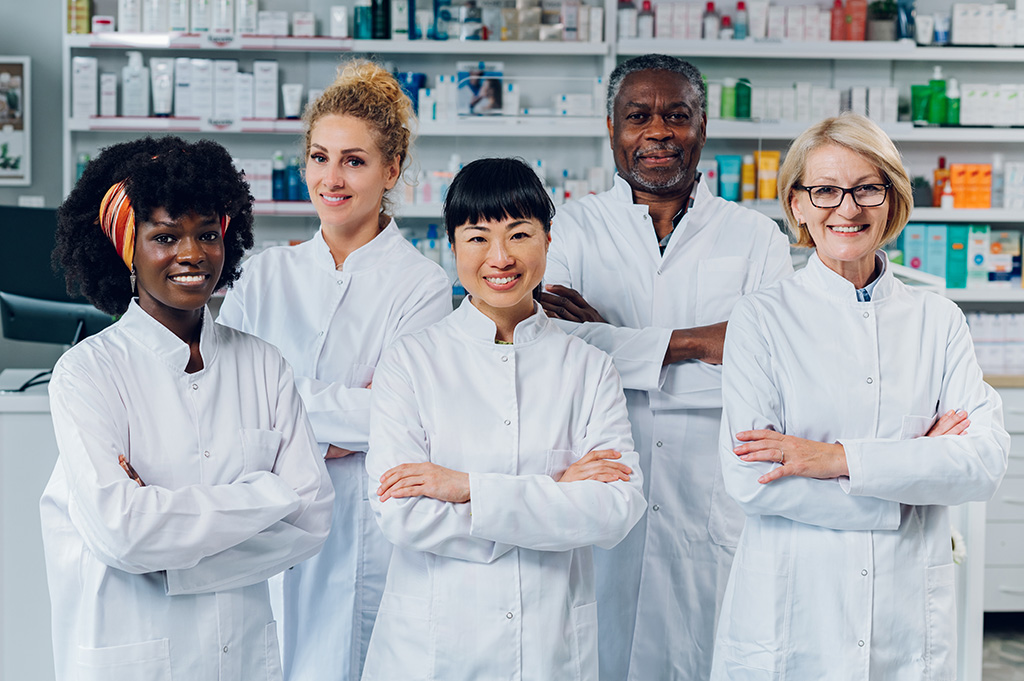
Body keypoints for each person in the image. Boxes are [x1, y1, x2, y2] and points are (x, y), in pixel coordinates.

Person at [712, 112, 1010, 679]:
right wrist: (911, 479)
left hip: (905, 616)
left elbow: (982, 464)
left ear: (892, 201)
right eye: (825, 190)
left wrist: (834, 459)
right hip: (796, 608)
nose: (847, 209)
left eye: (867, 188)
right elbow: (752, 478)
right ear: (797, 204)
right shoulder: (761, 318)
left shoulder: (938, 319)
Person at [41, 136, 334, 681]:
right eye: (165, 236)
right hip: (135, 654)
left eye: (207, 234)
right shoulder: (87, 373)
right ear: (127, 250)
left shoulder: (264, 365)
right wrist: (269, 494)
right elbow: (122, 531)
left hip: (242, 656)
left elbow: (313, 518)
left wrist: (166, 540)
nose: (193, 254)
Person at [541, 53, 793, 680]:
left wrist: (612, 341)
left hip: (707, 495)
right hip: (602, 475)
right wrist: (702, 344)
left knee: (702, 656)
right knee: (593, 654)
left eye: (677, 115)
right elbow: (555, 351)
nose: (658, 131)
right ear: (612, 129)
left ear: (702, 128)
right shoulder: (568, 229)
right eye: (638, 116)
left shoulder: (756, 237)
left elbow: (769, 366)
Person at [362, 157, 647, 680]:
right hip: (434, 651)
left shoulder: (588, 367)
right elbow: (402, 514)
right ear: (452, 246)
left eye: (519, 234)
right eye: (477, 238)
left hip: (550, 647)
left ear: (548, 239)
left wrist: (465, 487)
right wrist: (556, 492)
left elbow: (616, 509)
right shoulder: (410, 361)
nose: (500, 257)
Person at [217, 59, 452, 681]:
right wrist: (339, 421)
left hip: (358, 528)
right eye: (320, 158)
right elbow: (222, 396)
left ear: (391, 170)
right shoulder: (264, 275)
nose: (332, 178)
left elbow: (400, 420)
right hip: (259, 517)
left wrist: (278, 414)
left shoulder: (421, 285)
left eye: (354, 161)